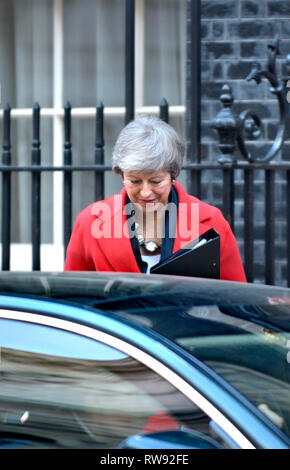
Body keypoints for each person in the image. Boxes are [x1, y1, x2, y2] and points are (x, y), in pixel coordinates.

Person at [64, 116, 246, 282]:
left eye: (156, 181)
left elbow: (234, 299)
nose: (145, 192)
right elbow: (73, 298)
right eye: (134, 181)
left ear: (173, 175)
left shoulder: (212, 221)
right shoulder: (89, 222)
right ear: (121, 175)